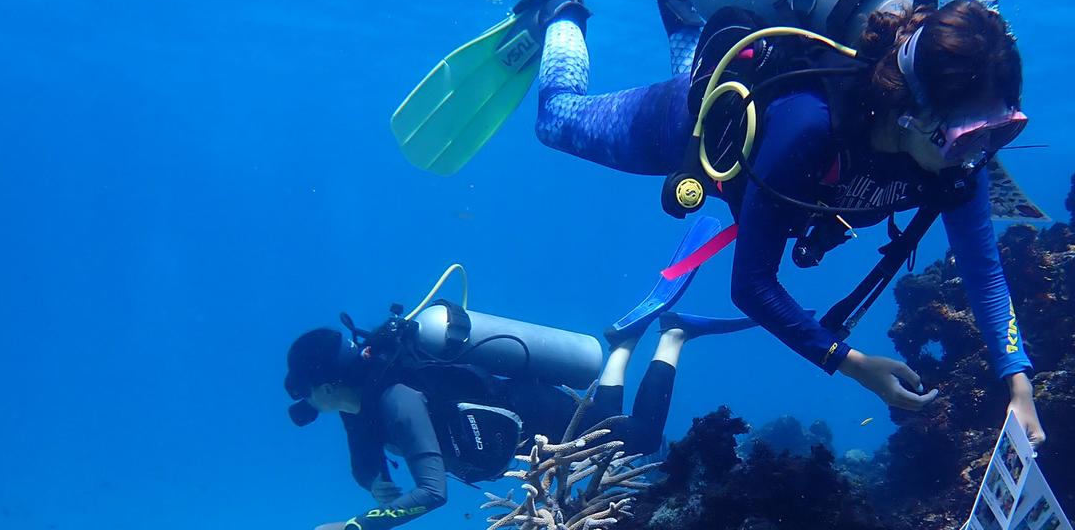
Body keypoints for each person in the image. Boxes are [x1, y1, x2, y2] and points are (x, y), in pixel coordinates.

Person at [524, 0, 1046, 446]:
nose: (978, 157)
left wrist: (1017, 381)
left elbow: (984, 269)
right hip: (688, 126)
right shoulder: (809, 125)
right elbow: (751, 284)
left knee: (701, 54)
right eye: (967, 138)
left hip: (750, 131)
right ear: (911, 111)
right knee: (556, 120)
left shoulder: (956, 160)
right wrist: (848, 361)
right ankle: (563, 10)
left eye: (999, 132)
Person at [290, 225, 758, 530]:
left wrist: (357, 525)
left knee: (636, 439)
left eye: (308, 391)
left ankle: (673, 335)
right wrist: (374, 486)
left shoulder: (393, 400)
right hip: (518, 422)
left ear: (329, 386)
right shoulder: (358, 403)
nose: (308, 404)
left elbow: (433, 491)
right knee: (604, 424)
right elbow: (363, 459)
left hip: (532, 413)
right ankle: (623, 343)